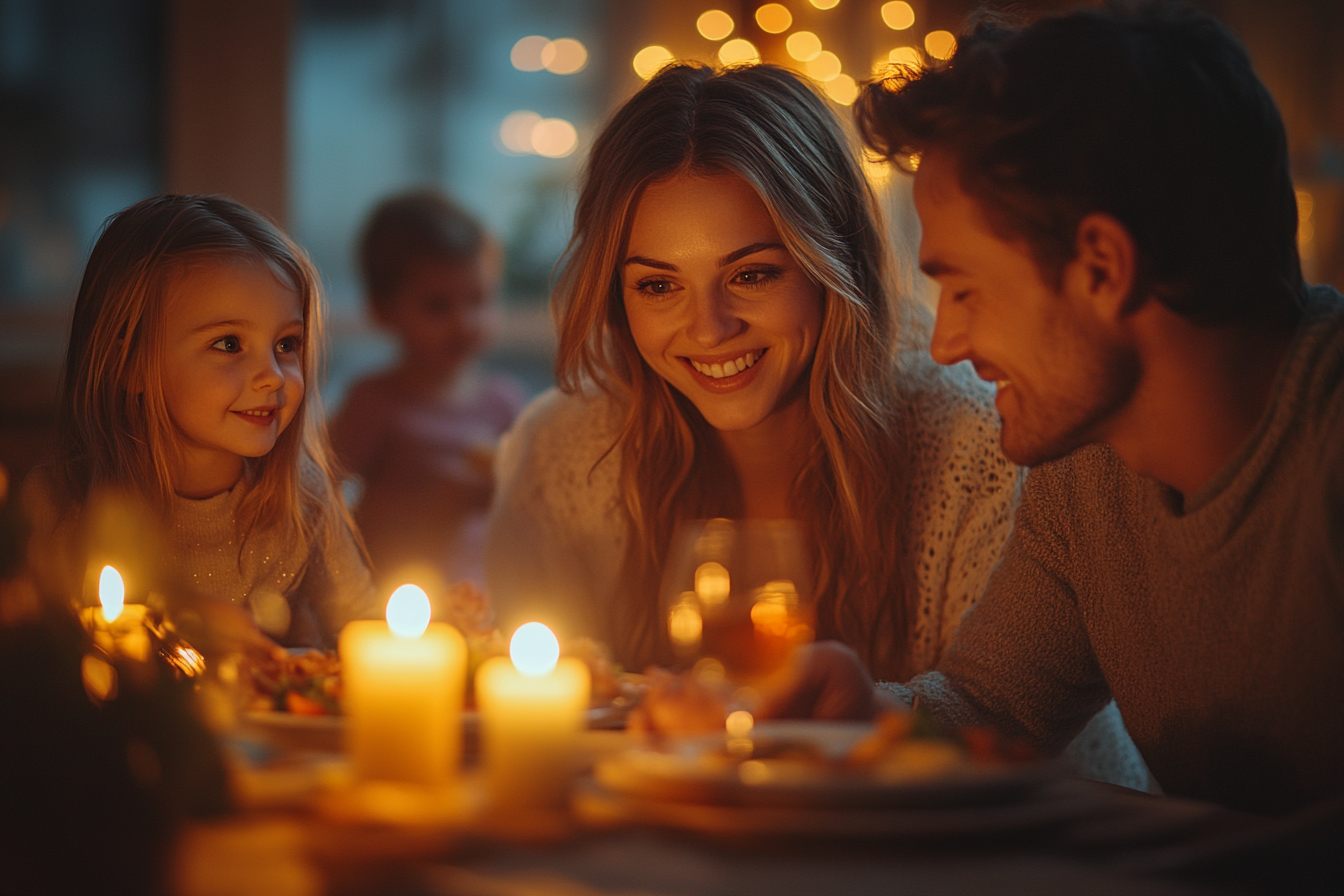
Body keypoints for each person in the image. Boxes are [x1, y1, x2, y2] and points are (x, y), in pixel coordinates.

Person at [485, 62, 1146, 788]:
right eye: (658, 285)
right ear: (617, 297)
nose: (709, 329)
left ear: (837, 264)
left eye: (753, 274)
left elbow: (1008, 731)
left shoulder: (987, 445)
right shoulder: (561, 453)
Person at [780, 2, 1344, 817]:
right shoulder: (1087, 465)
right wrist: (863, 713)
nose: (944, 343)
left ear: (1103, 268)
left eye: (965, 289)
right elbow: (995, 712)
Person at [22, 194, 378, 646]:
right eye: (229, 344)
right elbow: (38, 663)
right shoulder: (60, 507)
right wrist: (177, 618)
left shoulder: (302, 496)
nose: (272, 376)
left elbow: (367, 629)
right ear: (128, 362)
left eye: (286, 344)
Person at [331, 190, 524, 593]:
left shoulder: (503, 402)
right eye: (438, 305)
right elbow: (315, 502)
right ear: (383, 310)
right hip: (394, 598)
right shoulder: (375, 403)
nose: (464, 323)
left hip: (483, 598)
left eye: (478, 299)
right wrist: (439, 506)